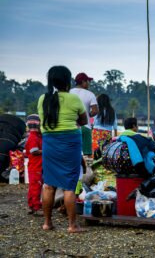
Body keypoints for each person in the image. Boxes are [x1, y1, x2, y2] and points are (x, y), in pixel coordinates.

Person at [38, 65, 88, 233]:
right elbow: (83, 120)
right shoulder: (73, 99)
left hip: (49, 143)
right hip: (70, 142)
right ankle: (72, 225)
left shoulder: (42, 99)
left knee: (48, 184)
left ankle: (47, 223)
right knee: (69, 185)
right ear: (67, 81)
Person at [70, 72, 98, 157]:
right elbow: (95, 111)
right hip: (85, 126)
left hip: (71, 126)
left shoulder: (69, 92)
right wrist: (87, 115)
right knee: (87, 154)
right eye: (87, 81)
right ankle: (86, 169)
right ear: (83, 82)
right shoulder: (90, 94)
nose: (88, 83)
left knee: (72, 151)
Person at [25, 114, 43, 215]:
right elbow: (34, 151)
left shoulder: (36, 136)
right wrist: (46, 151)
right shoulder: (33, 137)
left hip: (34, 165)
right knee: (36, 186)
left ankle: (31, 205)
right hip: (36, 166)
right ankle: (36, 207)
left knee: (33, 186)